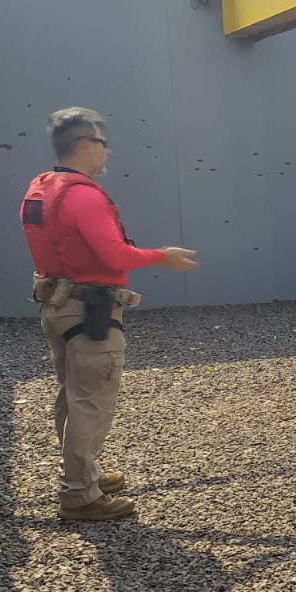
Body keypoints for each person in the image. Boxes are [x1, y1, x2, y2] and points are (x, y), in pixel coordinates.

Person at [20, 107, 200, 522]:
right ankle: (81, 495)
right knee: (91, 402)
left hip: (57, 305)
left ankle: (84, 475)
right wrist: (162, 256)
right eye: (102, 145)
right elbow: (112, 252)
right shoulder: (84, 196)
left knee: (72, 395)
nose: (106, 153)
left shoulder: (42, 188)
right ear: (86, 145)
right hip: (88, 311)